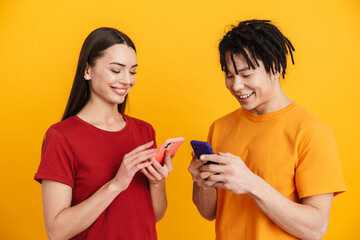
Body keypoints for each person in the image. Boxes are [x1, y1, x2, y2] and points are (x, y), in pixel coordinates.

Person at [188, 19, 346, 240]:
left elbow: (315, 229)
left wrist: (252, 183)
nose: (236, 86)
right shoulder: (219, 127)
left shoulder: (312, 133)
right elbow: (209, 213)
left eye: (246, 75)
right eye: (229, 75)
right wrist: (201, 183)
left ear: (276, 68)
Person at [34, 27, 174, 240]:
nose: (127, 80)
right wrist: (116, 184)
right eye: (116, 70)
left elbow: (153, 215)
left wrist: (157, 182)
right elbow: (56, 231)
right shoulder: (61, 137)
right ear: (87, 70)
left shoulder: (145, 131)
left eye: (133, 71)